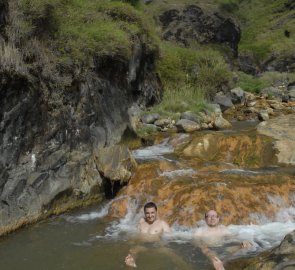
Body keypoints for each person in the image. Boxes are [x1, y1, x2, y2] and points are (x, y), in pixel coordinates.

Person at [124, 201, 171, 267]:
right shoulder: (141, 222)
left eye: (152, 213)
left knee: (173, 255)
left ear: (156, 212)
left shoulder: (162, 224)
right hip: (142, 246)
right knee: (131, 254)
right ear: (144, 213)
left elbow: (169, 238)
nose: (150, 215)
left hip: (156, 247)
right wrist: (131, 241)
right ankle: (132, 262)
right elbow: (135, 234)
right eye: (147, 213)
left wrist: (161, 244)